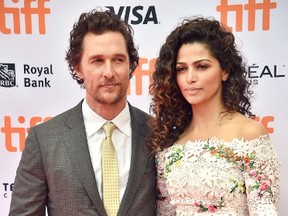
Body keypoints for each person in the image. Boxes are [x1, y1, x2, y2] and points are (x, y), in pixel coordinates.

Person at [9, 9, 156, 216]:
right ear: (77, 68)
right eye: (97, 61)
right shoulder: (44, 140)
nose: (109, 72)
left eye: (118, 60)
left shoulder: (158, 134)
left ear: (131, 65)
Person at [149, 16, 280, 215]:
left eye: (202, 66)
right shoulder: (169, 144)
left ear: (225, 71)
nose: (190, 78)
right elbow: (164, 211)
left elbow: (264, 209)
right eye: (182, 69)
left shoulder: (249, 133)